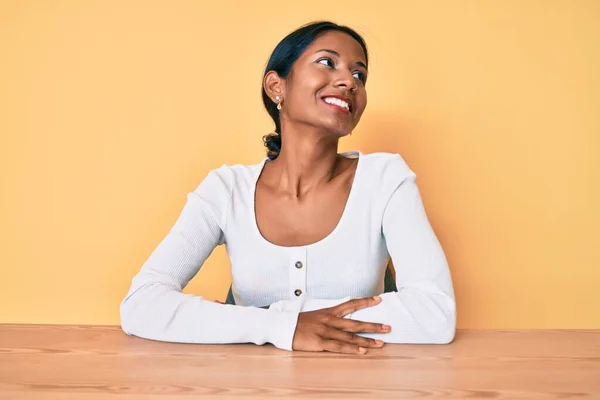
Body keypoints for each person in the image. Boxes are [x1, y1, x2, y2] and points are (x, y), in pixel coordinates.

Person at [120, 21, 456, 354]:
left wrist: (258, 319)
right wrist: (283, 326)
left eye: (359, 76)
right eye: (328, 62)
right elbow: (142, 304)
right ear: (276, 86)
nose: (348, 82)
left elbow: (435, 315)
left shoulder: (385, 179)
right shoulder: (226, 189)